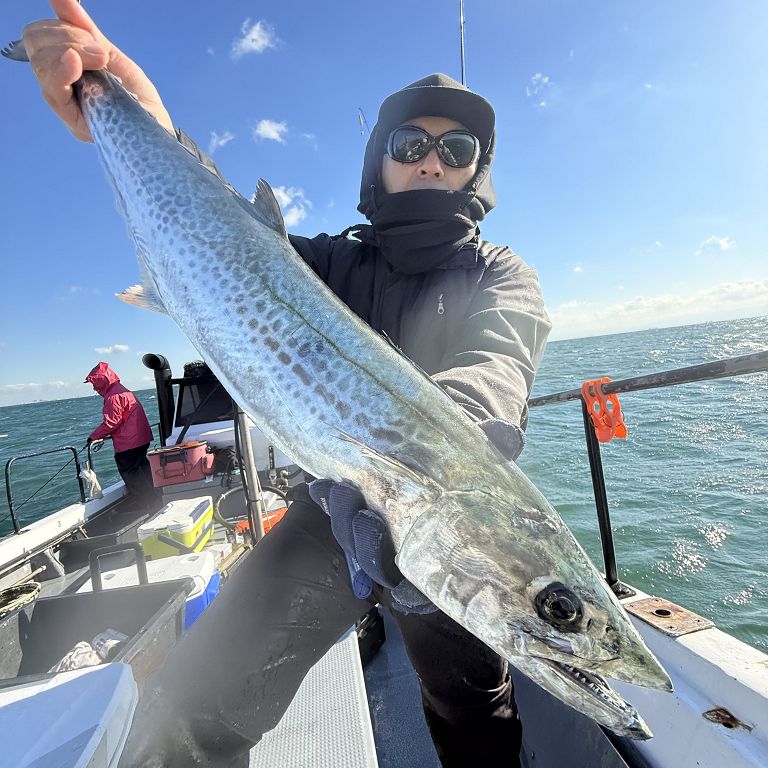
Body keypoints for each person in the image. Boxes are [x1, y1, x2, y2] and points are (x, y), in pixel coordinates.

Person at [24, 2, 552, 765]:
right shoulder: (326, 265)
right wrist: (140, 114)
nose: (432, 160)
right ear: (381, 158)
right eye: (411, 142)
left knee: (473, 707)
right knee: (193, 699)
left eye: (457, 146)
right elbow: (218, 232)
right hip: (331, 506)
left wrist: (416, 484)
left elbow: (491, 372)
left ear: (477, 167)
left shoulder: (500, 275)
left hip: (451, 525)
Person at [84, 361, 157, 505]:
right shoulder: (121, 390)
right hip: (141, 439)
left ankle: (147, 503)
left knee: (131, 472)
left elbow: (111, 422)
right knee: (143, 468)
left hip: (129, 443)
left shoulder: (113, 396)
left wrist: (93, 437)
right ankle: (156, 498)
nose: (93, 386)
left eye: (94, 382)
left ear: (101, 381)